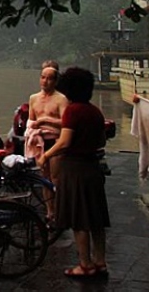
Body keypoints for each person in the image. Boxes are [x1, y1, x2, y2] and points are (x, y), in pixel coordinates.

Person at [37, 67, 109, 279]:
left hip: (75, 168)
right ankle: (100, 262)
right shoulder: (95, 111)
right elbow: (102, 140)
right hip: (93, 168)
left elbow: (64, 141)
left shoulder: (73, 111)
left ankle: (84, 264)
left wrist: (46, 155)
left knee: (79, 219)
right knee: (96, 218)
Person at [26, 65, 68, 221]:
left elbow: (66, 122)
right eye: (43, 77)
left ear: (55, 81)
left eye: (50, 78)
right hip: (40, 142)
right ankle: (50, 211)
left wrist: (45, 120)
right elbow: (31, 121)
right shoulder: (33, 98)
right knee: (44, 179)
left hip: (55, 141)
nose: (46, 81)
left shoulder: (61, 99)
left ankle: (60, 211)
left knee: (56, 178)